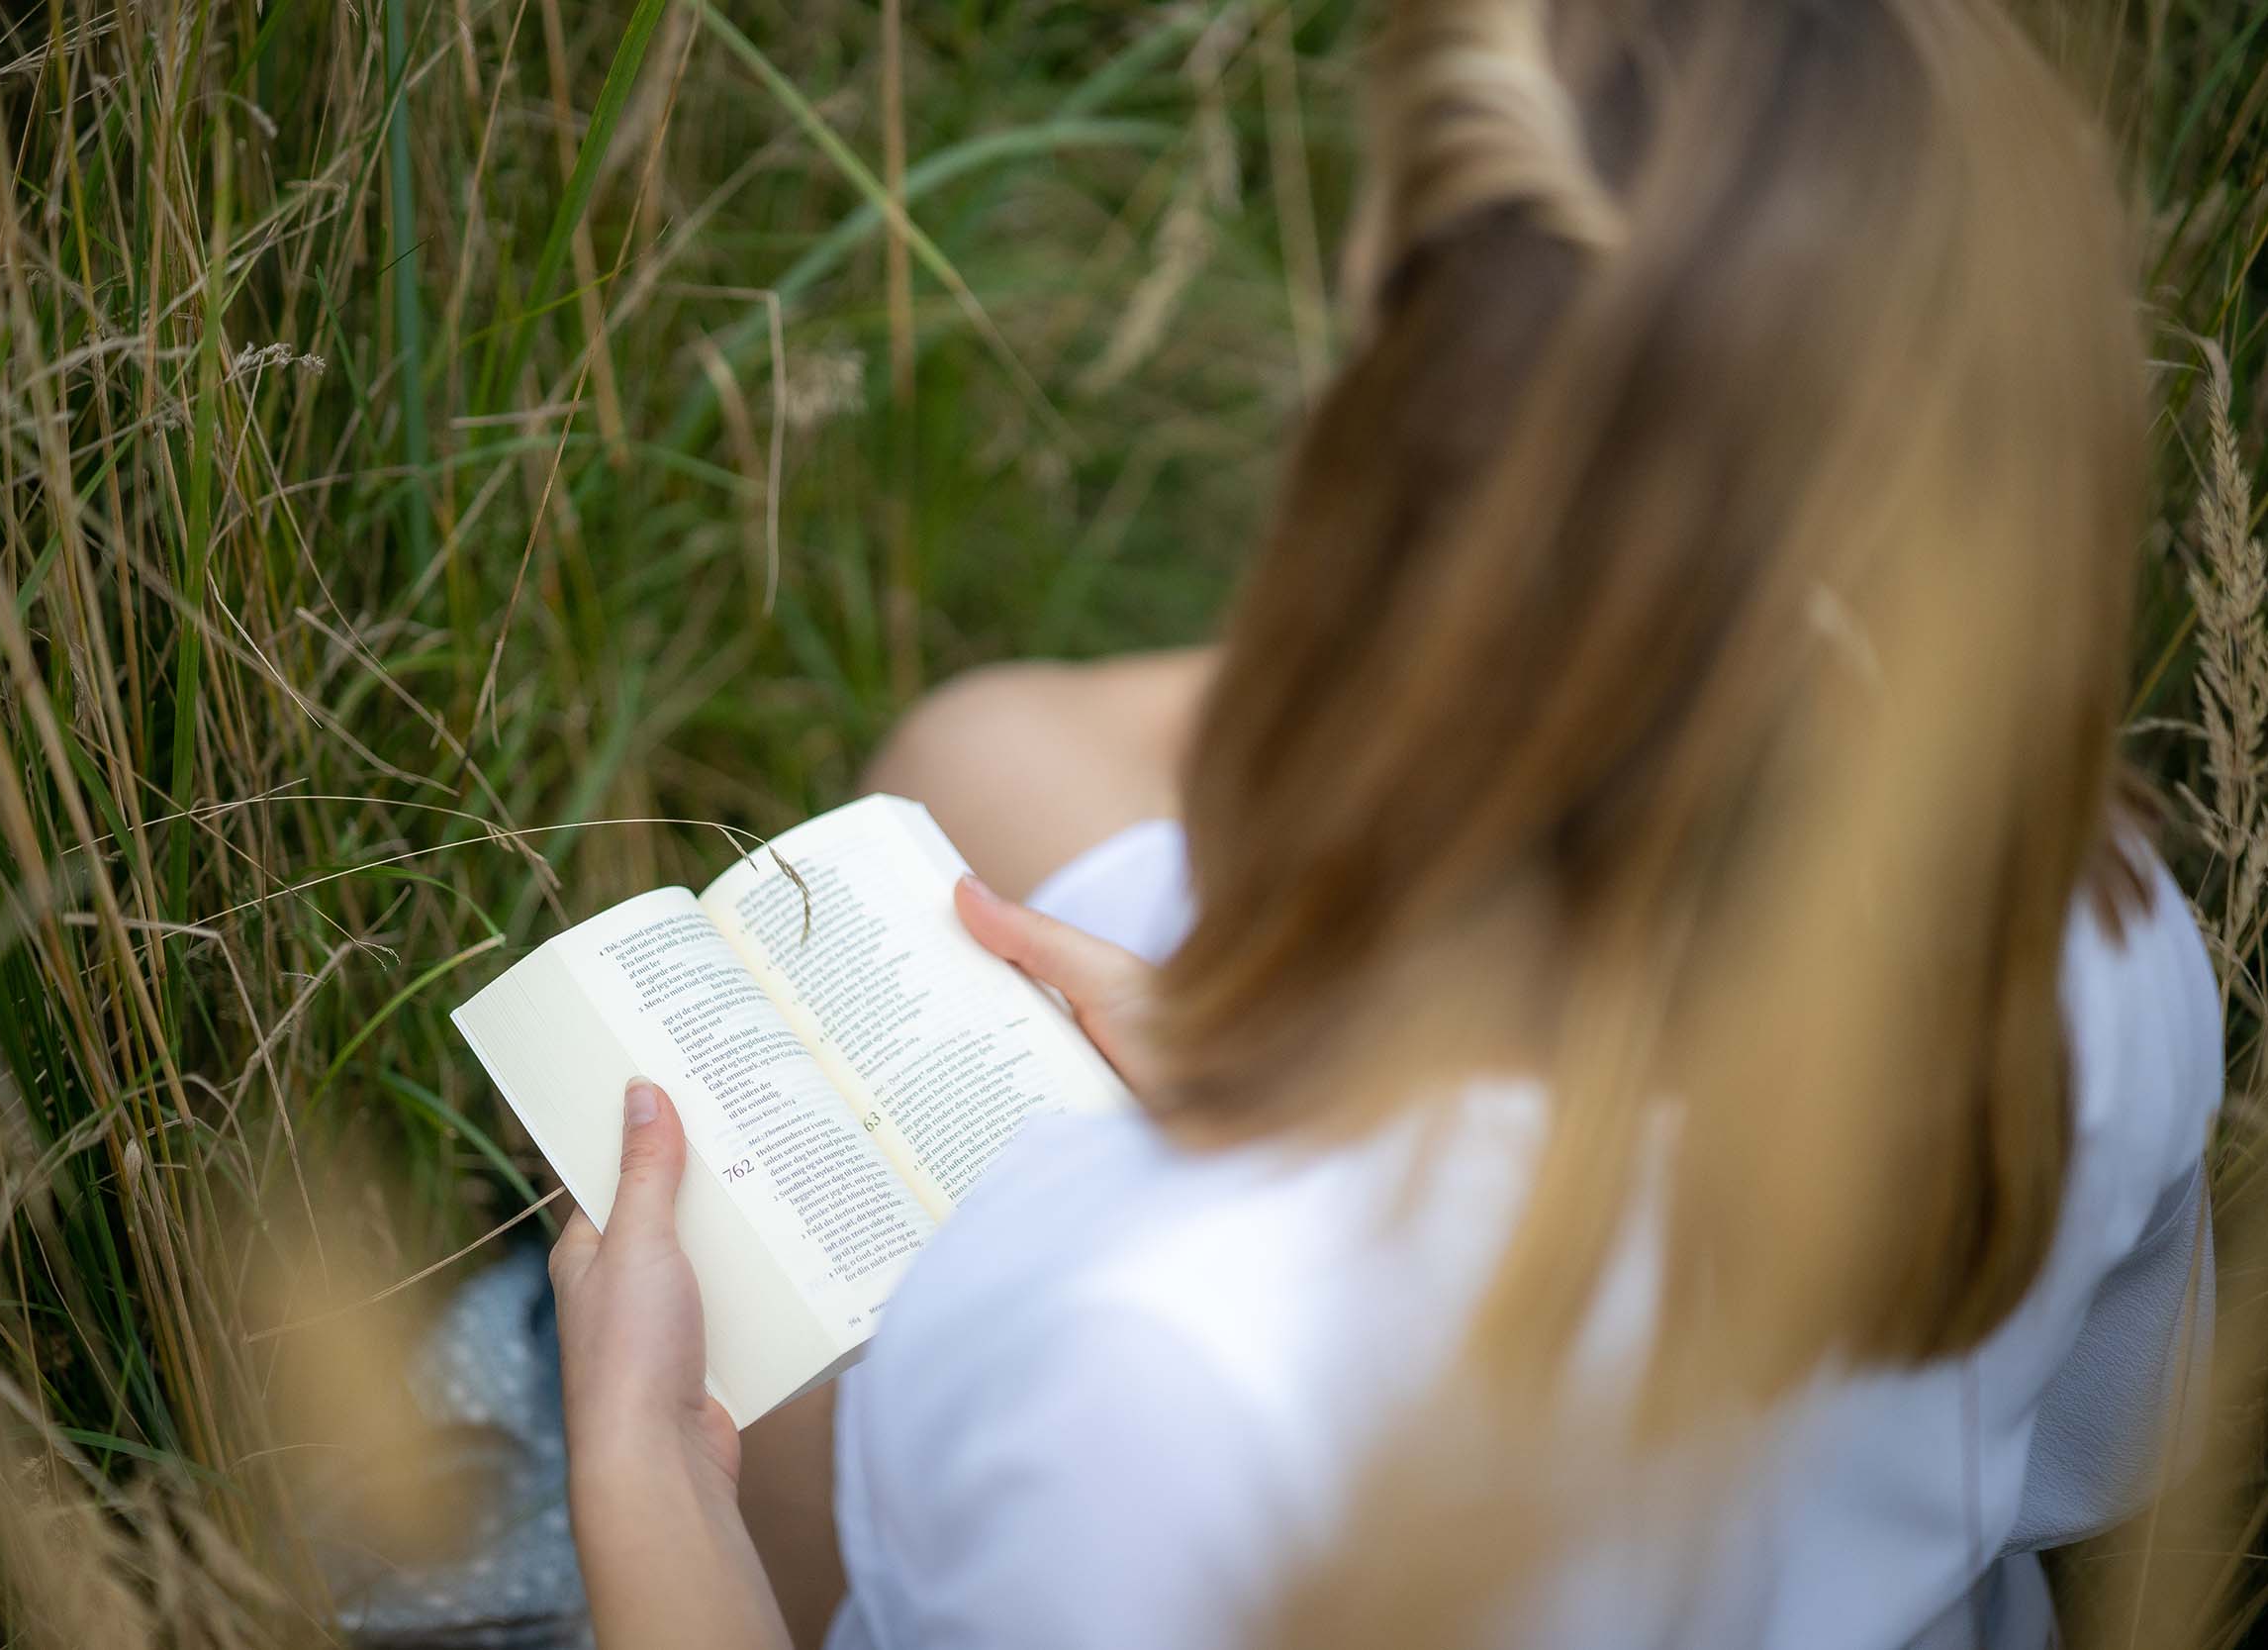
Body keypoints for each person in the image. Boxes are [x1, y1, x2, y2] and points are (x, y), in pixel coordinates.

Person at [544, 0, 2225, 1644]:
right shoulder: (2107, 923)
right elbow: (2098, 1466)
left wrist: (643, 1492)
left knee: (962, 776)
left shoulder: (1152, 1361)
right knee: (982, 754)